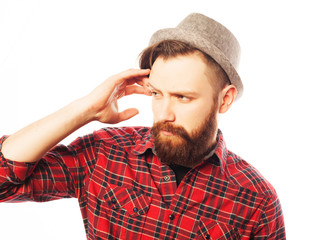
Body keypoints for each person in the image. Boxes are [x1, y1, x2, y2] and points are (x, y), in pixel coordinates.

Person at [0, 13, 285, 239]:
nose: (164, 113)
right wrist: (86, 109)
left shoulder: (257, 200)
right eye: (157, 94)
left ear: (224, 100)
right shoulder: (104, 153)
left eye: (182, 97)